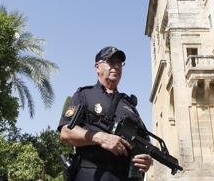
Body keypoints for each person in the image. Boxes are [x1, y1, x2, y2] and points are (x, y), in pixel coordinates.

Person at [58, 46, 154, 181]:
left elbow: (144, 142)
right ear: (97, 66)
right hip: (92, 173)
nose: (116, 66)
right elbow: (65, 132)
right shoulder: (84, 95)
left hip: (125, 176)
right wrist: (99, 137)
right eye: (111, 61)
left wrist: (147, 159)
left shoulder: (129, 106)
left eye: (119, 63)